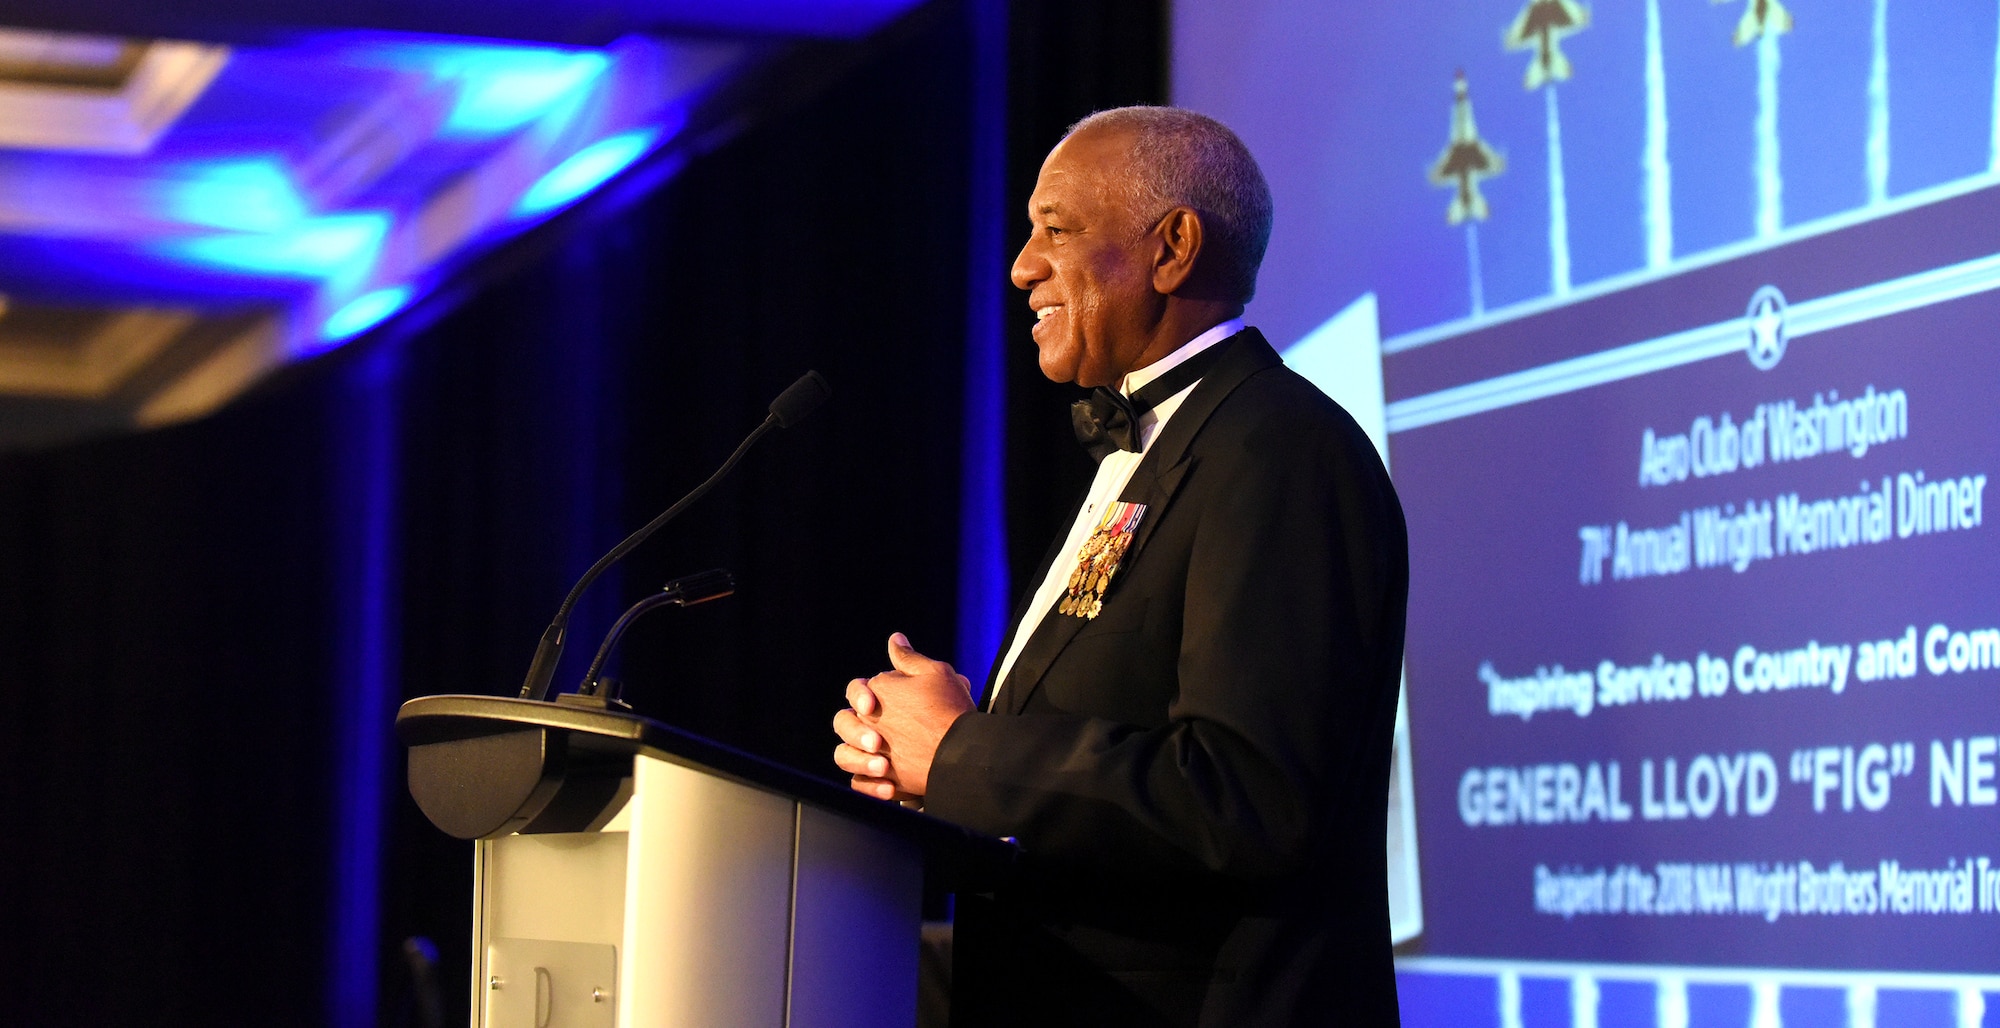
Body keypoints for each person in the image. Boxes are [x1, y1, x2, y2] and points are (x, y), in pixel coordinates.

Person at [832, 106, 1408, 1026]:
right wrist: (930, 768)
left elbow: (1246, 795)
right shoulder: (1155, 448)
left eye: (1055, 230)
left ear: (1172, 247)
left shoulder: (1281, 449)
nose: (1021, 266)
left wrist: (966, 751)